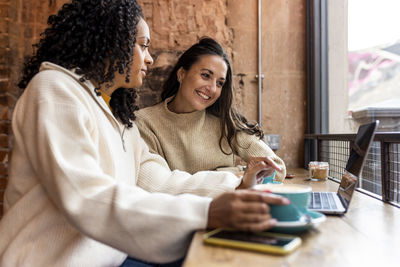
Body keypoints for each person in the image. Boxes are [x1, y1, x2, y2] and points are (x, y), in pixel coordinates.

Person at [0, 1, 289, 266]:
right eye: (143, 46)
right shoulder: (54, 90)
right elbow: (86, 197)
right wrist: (206, 212)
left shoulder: (119, 120)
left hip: (112, 255)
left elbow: (161, 182)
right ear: (111, 43)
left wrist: (237, 184)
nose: (149, 59)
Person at [135, 38, 287, 181]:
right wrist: (235, 173)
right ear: (181, 74)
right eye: (205, 75)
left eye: (220, 83)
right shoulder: (145, 122)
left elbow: (277, 168)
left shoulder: (226, 123)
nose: (213, 89)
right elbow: (160, 183)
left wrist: (231, 171)